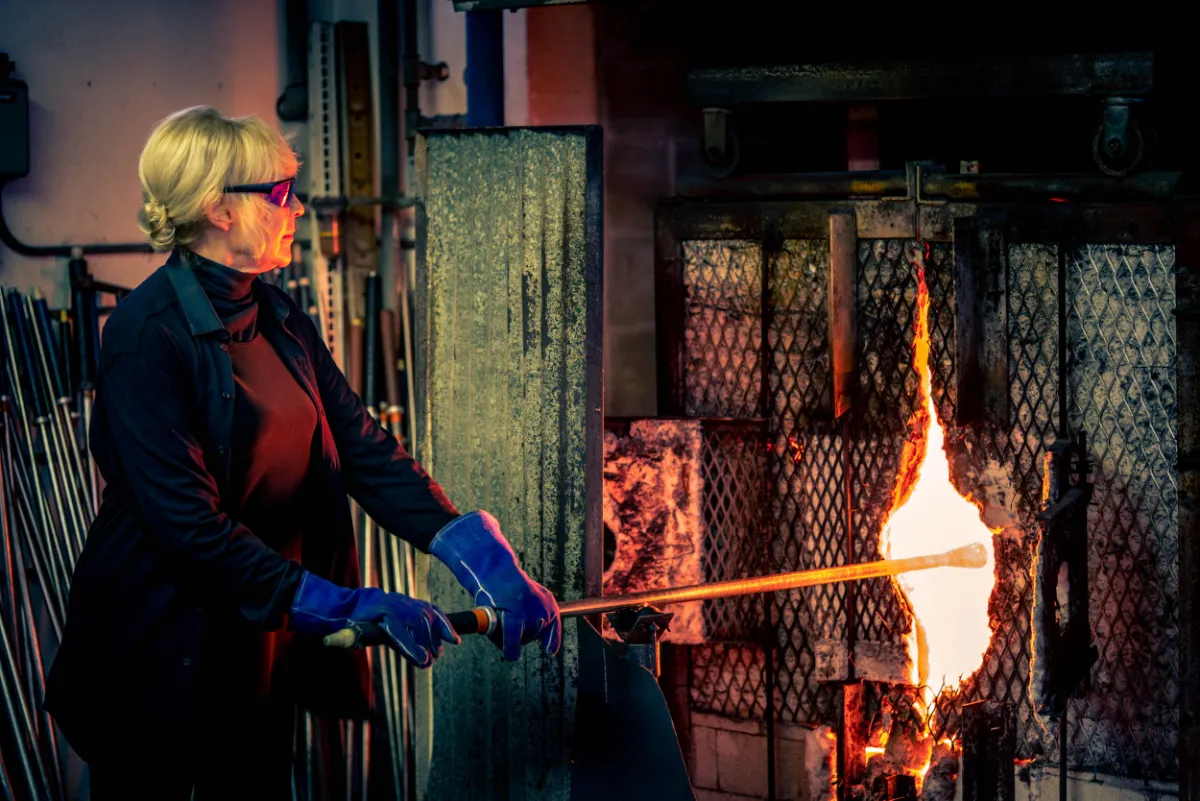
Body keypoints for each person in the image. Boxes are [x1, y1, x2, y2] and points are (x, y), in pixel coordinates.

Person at [42, 105, 562, 800]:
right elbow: (188, 529)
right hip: (156, 645)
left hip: (257, 633)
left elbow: (364, 449)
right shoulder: (145, 336)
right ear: (218, 208)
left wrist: (476, 551)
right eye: (280, 193)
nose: (297, 208)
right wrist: (344, 604)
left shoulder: (279, 315)